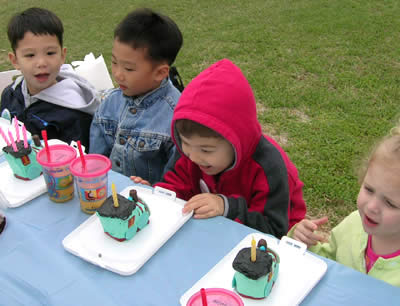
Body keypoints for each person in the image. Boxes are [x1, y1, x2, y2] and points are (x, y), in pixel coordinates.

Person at [131, 59, 306, 238]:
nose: (194, 157)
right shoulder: (190, 151)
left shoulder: (269, 167)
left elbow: (274, 230)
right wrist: (156, 197)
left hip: (278, 235)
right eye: (185, 142)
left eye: (206, 150)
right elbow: (174, 186)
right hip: (215, 228)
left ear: (236, 142)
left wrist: (227, 208)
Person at [290, 125, 400, 287]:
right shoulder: (353, 224)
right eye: (369, 189)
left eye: (390, 203)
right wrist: (304, 243)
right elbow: (328, 262)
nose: (371, 207)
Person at [89, 8, 183, 184]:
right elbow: (96, 162)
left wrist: (155, 188)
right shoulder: (109, 103)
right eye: (114, 62)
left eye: (129, 69)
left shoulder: (176, 117)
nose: (117, 74)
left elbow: (177, 183)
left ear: (160, 73)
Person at [1, 7, 100, 150]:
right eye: (30, 55)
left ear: (62, 56)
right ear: (15, 60)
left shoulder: (74, 114)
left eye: (50, 53)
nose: (41, 63)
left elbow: (79, 163)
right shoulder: (10, 95)